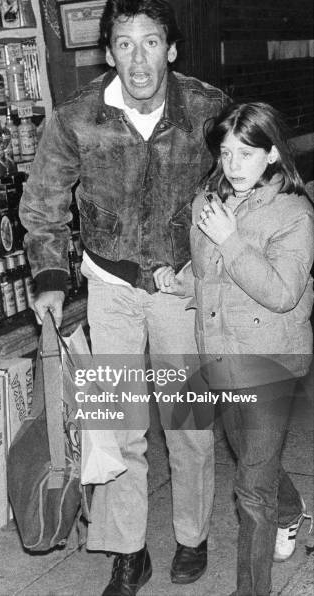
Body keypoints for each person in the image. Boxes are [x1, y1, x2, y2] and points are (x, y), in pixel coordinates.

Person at [19, 0, 228, 594]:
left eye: (151, 44)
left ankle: (192, 535)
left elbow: (236, 186)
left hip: (178, 291)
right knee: (118, 424)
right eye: (124, 45)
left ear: (172, 50)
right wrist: (52, 277)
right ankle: (126, 549)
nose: (138, 61)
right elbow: (44, 206)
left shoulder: (206, 110)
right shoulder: (76, 118)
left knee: (188, 423)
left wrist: (210, 267)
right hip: (109, 288)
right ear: (108, 52)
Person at [154, 101, 314, 596]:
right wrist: (180, 282)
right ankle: (292, 512)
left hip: (271, 361)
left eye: (246, 154)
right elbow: (208, 273)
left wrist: (229, 240)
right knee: (251, 460)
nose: (233, 165)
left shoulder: (295, 213)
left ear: (271, 156)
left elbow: (283, 293)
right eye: (225, 153)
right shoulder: (210, 200)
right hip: (219, 356)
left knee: (250, 490)